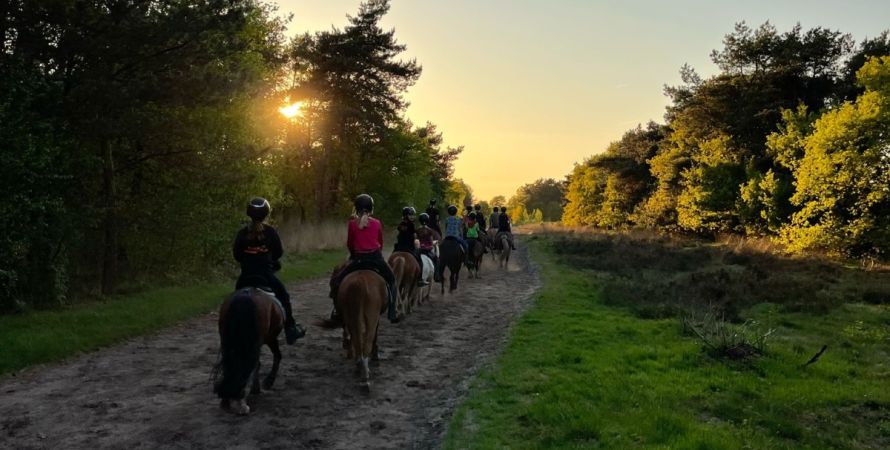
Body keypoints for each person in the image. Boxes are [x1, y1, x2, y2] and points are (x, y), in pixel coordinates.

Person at [233, 197, 305, 344]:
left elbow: (237, 254)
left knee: (235, 299)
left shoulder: (242, 233)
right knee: (284, 297)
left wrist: (248, 259)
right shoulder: (270, 232)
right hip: (265, 276)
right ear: (266, 214)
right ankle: (290, 329)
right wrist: (268, 260)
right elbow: (278, 252)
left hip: (246, 276)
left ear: (249, 214)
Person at [329, 194, 398, 322]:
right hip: (375, 258)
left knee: (338, 281)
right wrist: (376, 254)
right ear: (371, 208)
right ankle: (392, 310)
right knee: (392, 281)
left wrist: (353, 255)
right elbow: (380, 243)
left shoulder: (352, 224)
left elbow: (350, 243)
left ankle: (336, 310)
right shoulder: (377, 223)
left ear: (356, 208)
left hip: (358, 259)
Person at [393, 206, 423, 275]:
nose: (412, 217)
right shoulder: (411, 225)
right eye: (410, 215)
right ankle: (420, 276)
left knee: (391, 258)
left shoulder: (401, 224)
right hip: (409, 248)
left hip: (399, 247)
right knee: (419, 260)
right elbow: (415, 236)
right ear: (406, 215)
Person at [416, 213, 441, 281]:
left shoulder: (417, 230)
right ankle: (436, 276)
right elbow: (430, 242)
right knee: (437, 260)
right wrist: (433, 243)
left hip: (419, 249)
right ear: (428, 221)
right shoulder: (430, 230)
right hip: (427, 250)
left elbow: (417, 239)